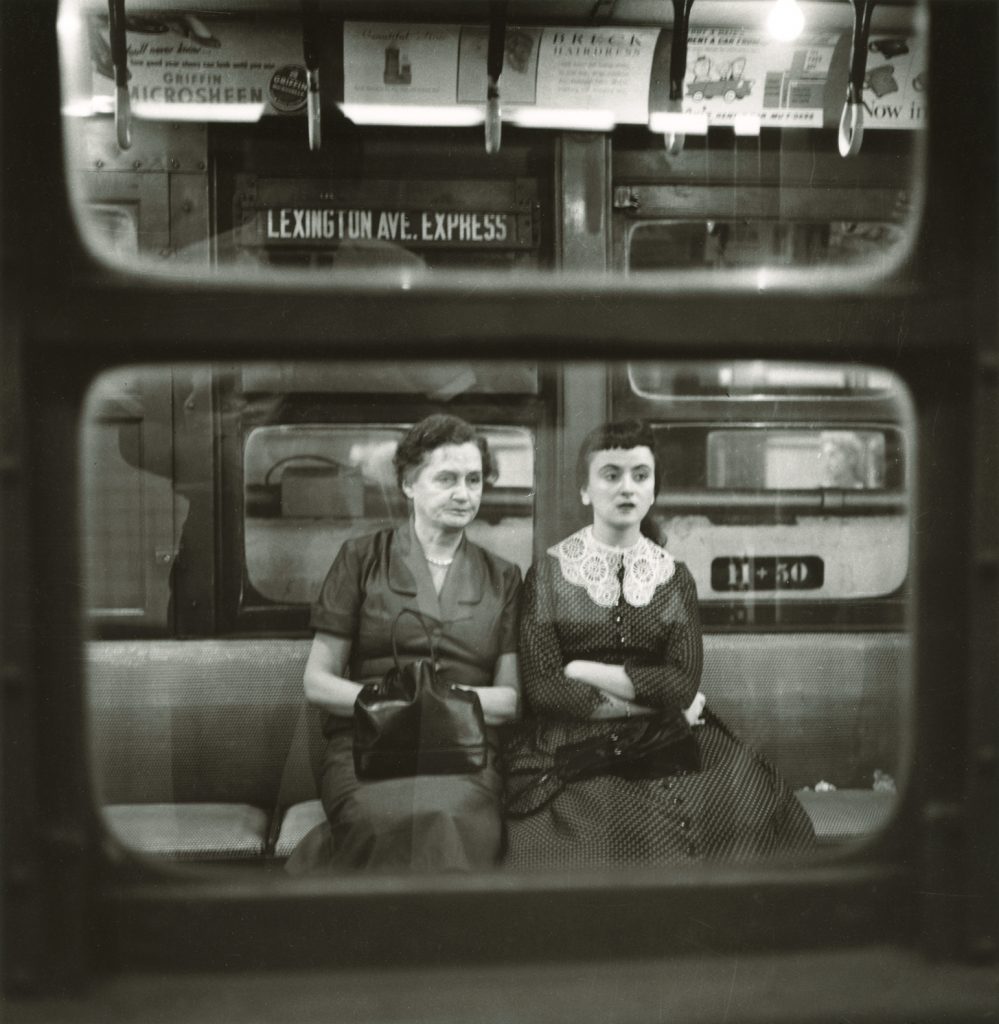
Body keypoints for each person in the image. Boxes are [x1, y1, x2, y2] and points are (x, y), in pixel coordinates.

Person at [504, 420, 815, 869]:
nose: (626, 487)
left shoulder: (673, 578)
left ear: (653, 491)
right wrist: (653, 700)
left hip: (673, 733)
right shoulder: (549, 576)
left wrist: (588, 671)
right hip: (578, 739)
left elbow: (684, 686)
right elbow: (547, 689)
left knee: (745, 811)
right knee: (601, 832)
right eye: (611, 475)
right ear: (585, 491)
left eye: (640, 476)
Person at [286, 414, 521, 873]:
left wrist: (435, 705)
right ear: (409, 484)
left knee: (456, 816)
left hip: (464, 750)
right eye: (447, 479)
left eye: (474, 480)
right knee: (378, 817)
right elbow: (317, 682)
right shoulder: (361, 559)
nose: (464, 493)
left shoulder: (504, 576)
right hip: (369, 746)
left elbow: (510, 700)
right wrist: (397, 706)